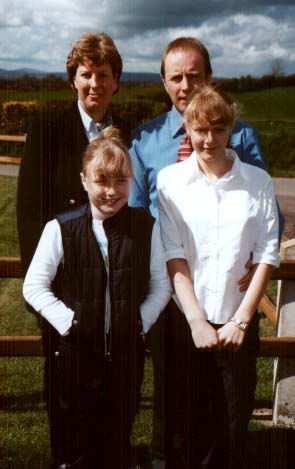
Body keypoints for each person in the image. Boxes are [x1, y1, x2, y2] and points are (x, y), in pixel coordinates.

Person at [128, 36, 282, 469]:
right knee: (173, 405)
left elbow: (262, 215)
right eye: (175, 77)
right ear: (163, 82)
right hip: (171, 293)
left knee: (226, 409)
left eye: (194, 75)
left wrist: (253, 263)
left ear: (209, 77)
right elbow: (140, 218)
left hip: (230, 292)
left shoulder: (241, 136)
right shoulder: (146, 139)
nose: (185, 84)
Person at [23, 127, 171, 468]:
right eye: (101, 180)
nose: (110, 191)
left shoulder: (146, 228)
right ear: (84, 180)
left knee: (117, 438)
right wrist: (68, 321)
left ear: (131, 181)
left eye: (120, 181)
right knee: (74, 442)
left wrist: (140, 320)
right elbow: (34, 286)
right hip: (76, 355)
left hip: (125, 355)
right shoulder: (62, 228)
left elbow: (162, 285)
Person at [17, 32, 127, 454]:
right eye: (86, 74)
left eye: (103, 74)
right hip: (64, 294)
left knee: (116, 397)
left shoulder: (128, 132)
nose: (94, 83)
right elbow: (29, 215)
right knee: (66, 404)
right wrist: (43, 300)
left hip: (116, 291)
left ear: (116, 80)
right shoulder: (47, 129)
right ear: (73, 80)